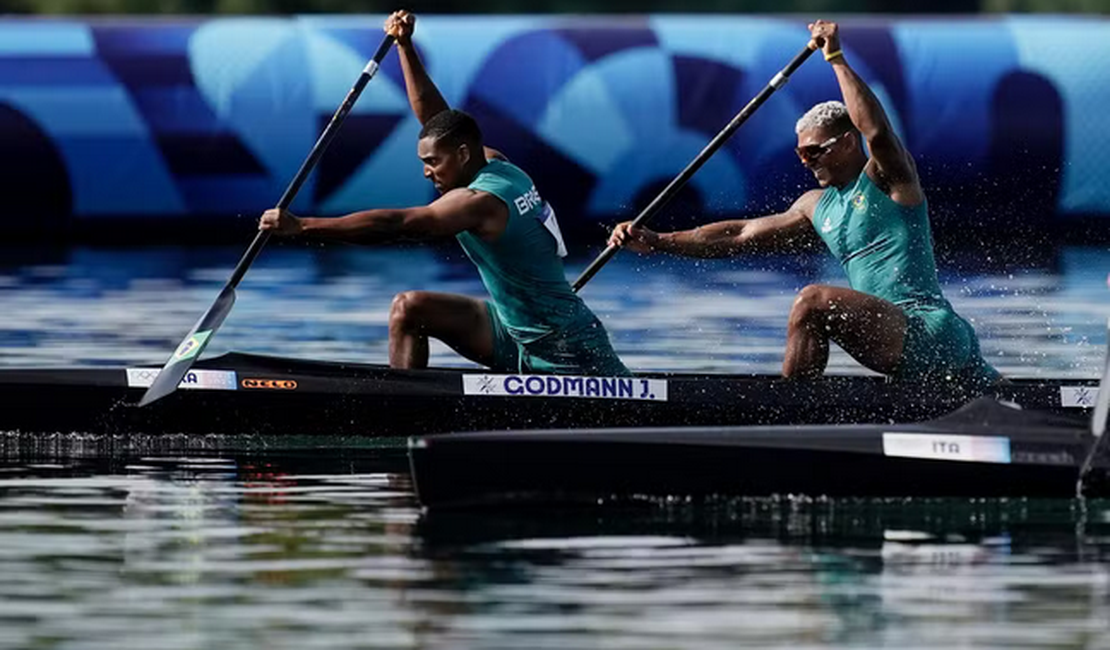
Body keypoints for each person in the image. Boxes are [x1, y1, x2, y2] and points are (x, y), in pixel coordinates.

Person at [609, 19, 999, 388]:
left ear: (847, 142)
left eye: (814, 152)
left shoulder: (889, 179)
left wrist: (836, 58)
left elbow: (877, 131)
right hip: (912, 342)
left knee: (812, 302)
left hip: (927, 330)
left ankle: (787, 411)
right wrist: (657, 239)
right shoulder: (816, 206)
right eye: (800, 155)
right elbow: (739, 235)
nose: (806, 163)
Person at [261, 10, 628, 377]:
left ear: (463, 154)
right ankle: (403, 409)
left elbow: (400, 223)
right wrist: (405, 47)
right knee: (409, 308)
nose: (426, 171)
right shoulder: (494, 162)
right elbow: (437, 119)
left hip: (567, 347)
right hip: (513, 332)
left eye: (433, 162)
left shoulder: (480, 203)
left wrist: (303, 226)